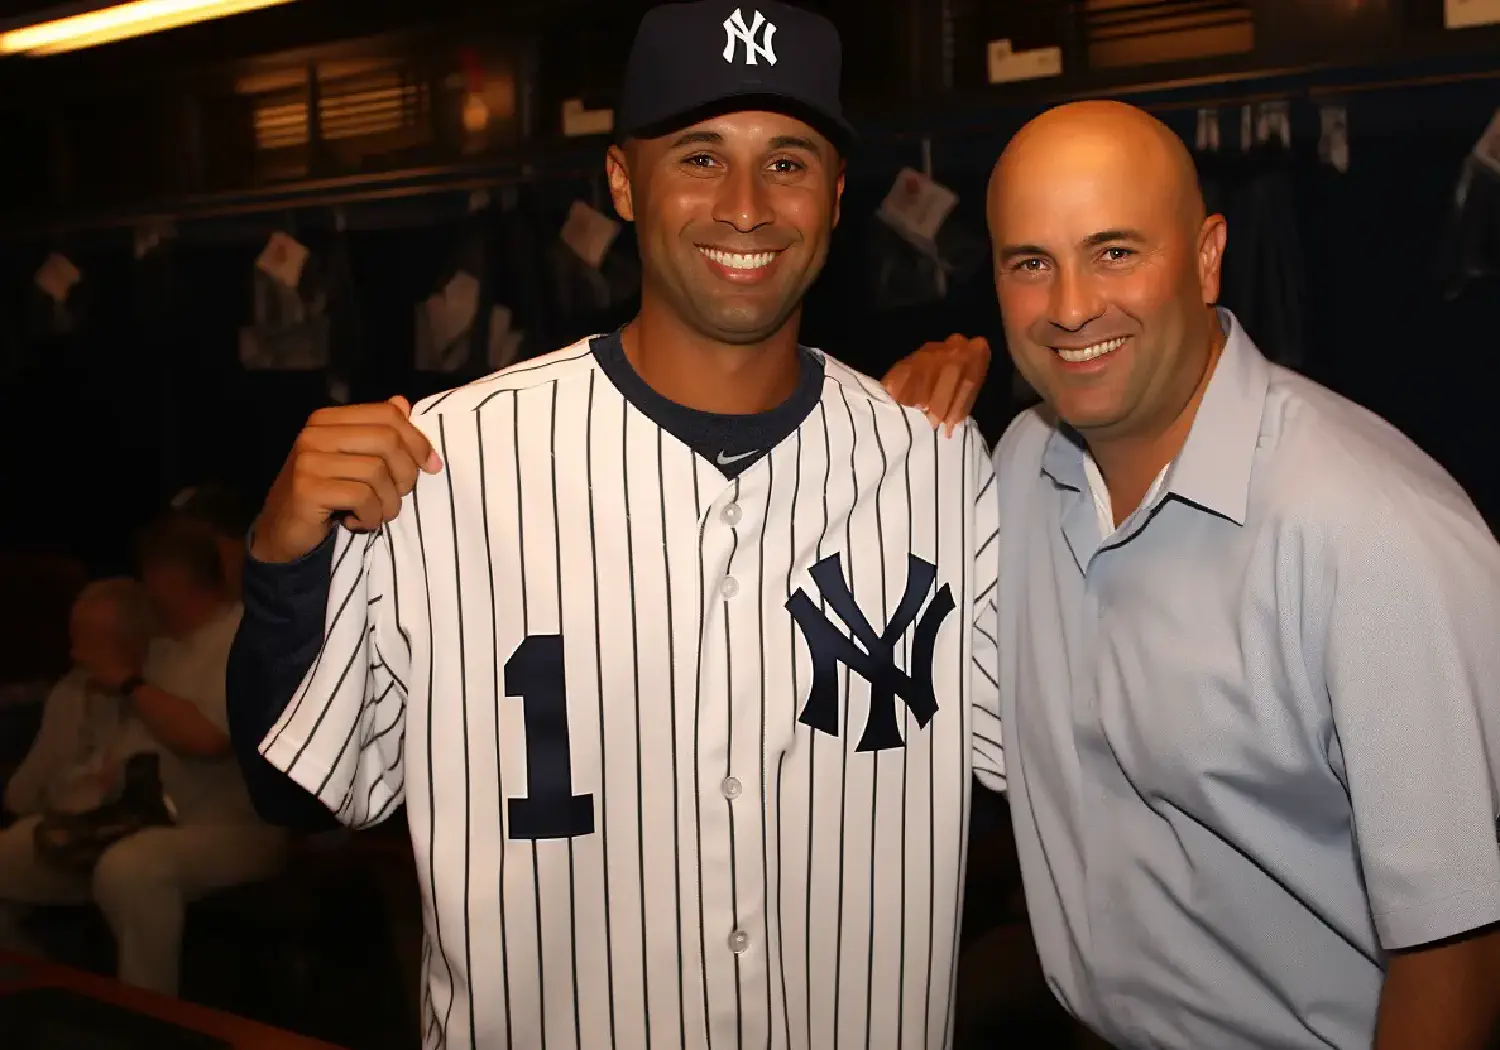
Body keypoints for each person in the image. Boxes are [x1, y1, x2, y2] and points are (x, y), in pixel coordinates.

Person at [227, 3, 1001, 1048]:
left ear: (837, 194)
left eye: (787, 160)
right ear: (624, 182)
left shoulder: (938, 464)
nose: (744, 205)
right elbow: (300, 788)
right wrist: (282, 560)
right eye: (698, 156)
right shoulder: (450, 458)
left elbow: (1076, 753)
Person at [917, 99, 1500, 1049]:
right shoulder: (1018, 471)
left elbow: (1459, 956)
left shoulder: (1371, 531)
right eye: (1032, 263)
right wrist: (881, 431)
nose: (1069, 307)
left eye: (1114, 252)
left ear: (1205, 254)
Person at [0, 566, 283, 997]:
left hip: (219, 828)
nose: (78, 653)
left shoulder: (206, 658)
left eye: (92, 641)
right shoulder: (82, 689)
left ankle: (147, 1018)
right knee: (17, 847)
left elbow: (207, 742)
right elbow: (29, 793)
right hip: (113, 827)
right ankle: (37, 993)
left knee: (133, 867)